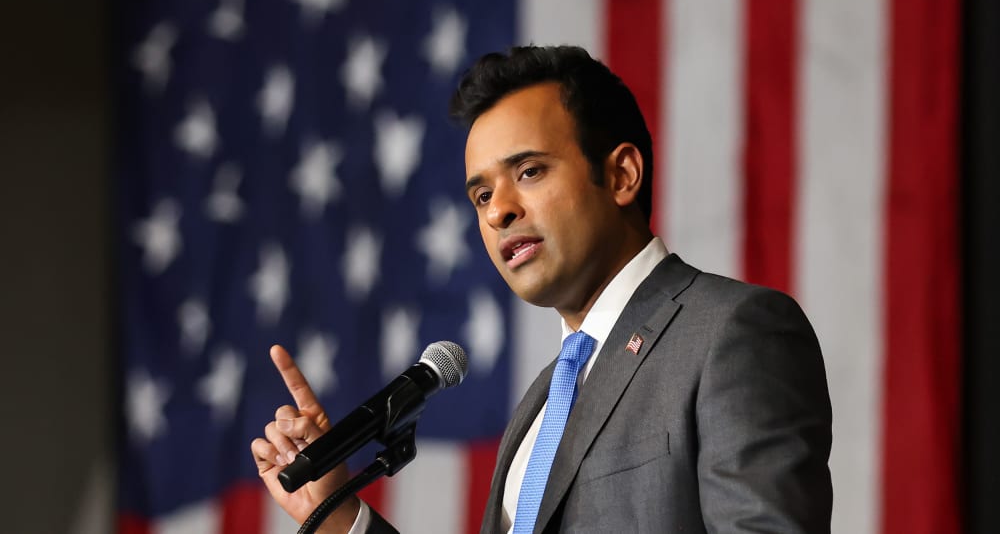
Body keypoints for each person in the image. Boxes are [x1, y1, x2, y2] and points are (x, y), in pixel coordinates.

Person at [251, 45, 833, 533]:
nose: (500, 210)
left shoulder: (731, 333)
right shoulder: (542, 405)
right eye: (481, 196)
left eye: (529, 171)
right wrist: (337, 515)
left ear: (621, 175)